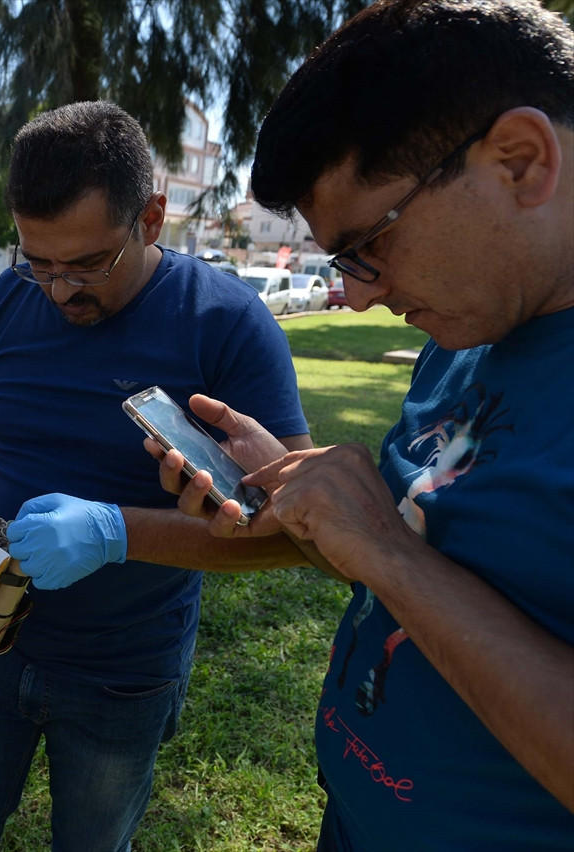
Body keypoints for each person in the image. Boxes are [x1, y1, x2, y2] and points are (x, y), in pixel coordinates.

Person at [155, 2, 574, 848]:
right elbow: (416, 562)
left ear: (521, 161)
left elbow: (399, 558)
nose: (353, 295)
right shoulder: (465, 330)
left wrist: (384, 546)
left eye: (369, 244)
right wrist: (306, 504)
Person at [0, 100, 317, 851]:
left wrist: (114, 532)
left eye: (89, 264)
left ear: (150, 219)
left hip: (124, 671)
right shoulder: (3, 307)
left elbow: (292, 531)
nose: (60, 291)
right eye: (39, 262)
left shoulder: (225, 322)